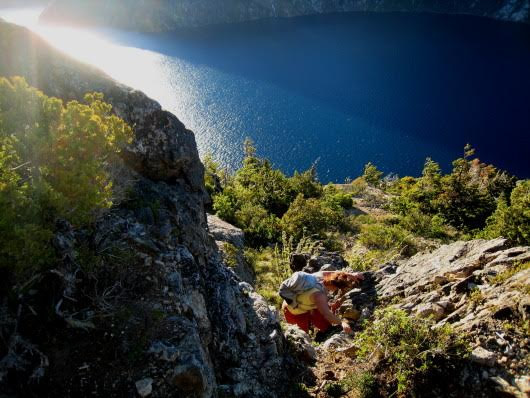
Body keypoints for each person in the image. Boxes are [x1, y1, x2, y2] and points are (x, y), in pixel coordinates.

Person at [279, 270, 364, 335]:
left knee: (326, 327)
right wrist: (342, 323)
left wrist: (350, 274)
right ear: (334, 286)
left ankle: (321, 335)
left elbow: (335, 273)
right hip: (294, 311)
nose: (336, 291)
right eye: (337, 289)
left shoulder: (319, 276)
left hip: (307, 305)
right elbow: (327, 314)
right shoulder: (319, 295)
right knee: (302, 336)